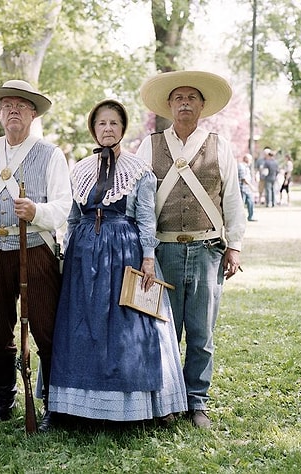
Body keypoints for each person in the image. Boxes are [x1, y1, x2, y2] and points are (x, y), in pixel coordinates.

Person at [48, 99, 187, 424]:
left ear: (122, 128)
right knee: (81, 328)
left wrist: (148, 258)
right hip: (84, 257)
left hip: (125, 253)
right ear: (93, 130)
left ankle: (145, 405)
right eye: (101, 124)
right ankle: (75, 406)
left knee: (131, 326)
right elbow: (72, 217)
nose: (107, 129)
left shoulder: (138, 170)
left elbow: (145, 218)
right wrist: (68, 253)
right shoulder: (80, 169)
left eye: (113, 123)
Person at [136, 71, 246, 429]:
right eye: (178, 98)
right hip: (161, 252)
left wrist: (235, 247)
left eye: (191, 98)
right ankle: (166, 400)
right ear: (169, 105)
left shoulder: (220, 146)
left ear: (202, 106)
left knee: (201, 333)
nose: (184, 103)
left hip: (206, 250)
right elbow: (137, 202)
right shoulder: (148, 146)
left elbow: (233, 200)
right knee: (161, 330)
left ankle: (197, 402)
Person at [0, 79, 72, 431]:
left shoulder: (51, 154)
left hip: (36, 250)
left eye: (20, 105)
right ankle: (5, 398)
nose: (12, 110)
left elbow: (63, 205)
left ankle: (54, 404)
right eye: (6, 105)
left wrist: (36, 212)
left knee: (45, 327)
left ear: (32, 113)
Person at [238, 153, 257, 221]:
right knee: (241, 204)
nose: (251, 161)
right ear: (246, 159)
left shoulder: (246, 167)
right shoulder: (241, 166)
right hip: (242, 188)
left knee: (251, 202)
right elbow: (243, 178)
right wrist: (251, 186)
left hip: (247, 189)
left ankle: (250, 216)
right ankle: (239, 218)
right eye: (250, 160)